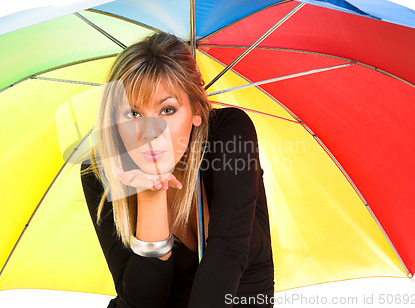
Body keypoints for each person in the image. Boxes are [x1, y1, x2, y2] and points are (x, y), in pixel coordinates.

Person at [80, 32, 274, 308]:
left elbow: (228, 252)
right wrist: (151, 197)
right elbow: (140, 303)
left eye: (167, 110)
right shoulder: (102, 169)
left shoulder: (229, 135)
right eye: (133, 114)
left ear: (196, 110)